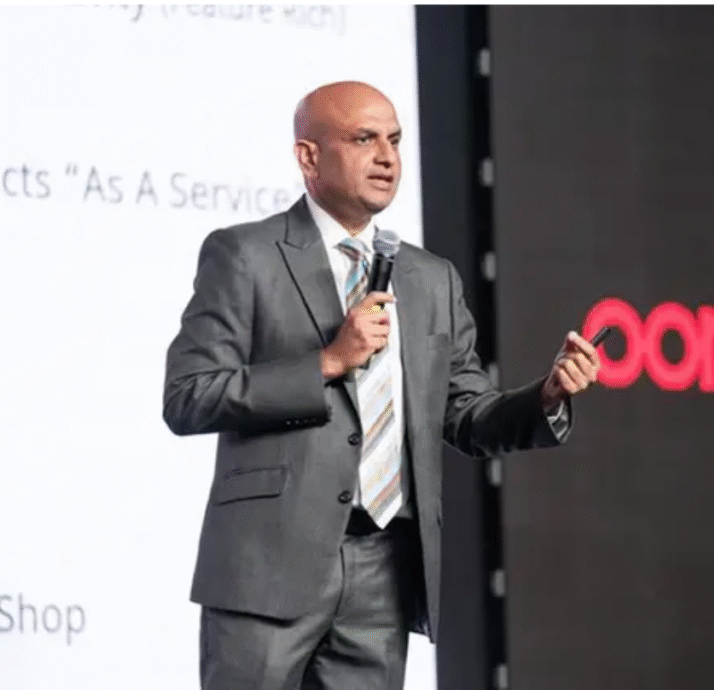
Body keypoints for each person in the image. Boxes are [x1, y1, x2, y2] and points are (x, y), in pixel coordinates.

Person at [163, 81, 601, 689]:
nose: (387, 157)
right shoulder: (246, 255)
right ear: (308, 156)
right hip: (269, 567)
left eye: (394, 140)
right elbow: (189, 395)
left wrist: (546, 396)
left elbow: (467, 415)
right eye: (364, 139)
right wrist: (328, 362)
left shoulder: (431, 279)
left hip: (383, 571)